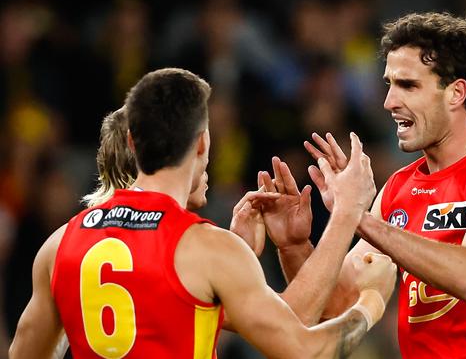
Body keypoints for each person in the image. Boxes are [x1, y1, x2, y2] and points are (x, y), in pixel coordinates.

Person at [9, 68, 396, 358]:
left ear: (132, 140)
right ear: (201, 144)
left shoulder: (59, 244)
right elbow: (303, 347)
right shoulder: (203, 248)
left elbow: (23, 353)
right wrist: (371, 300)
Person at [275, 12, 466, 358]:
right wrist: (293, 246)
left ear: (456, 92)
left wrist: (358, 217)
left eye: (408, 85)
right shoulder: (399, 187)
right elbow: (334, 307)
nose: (389, 102)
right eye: (389, 84)